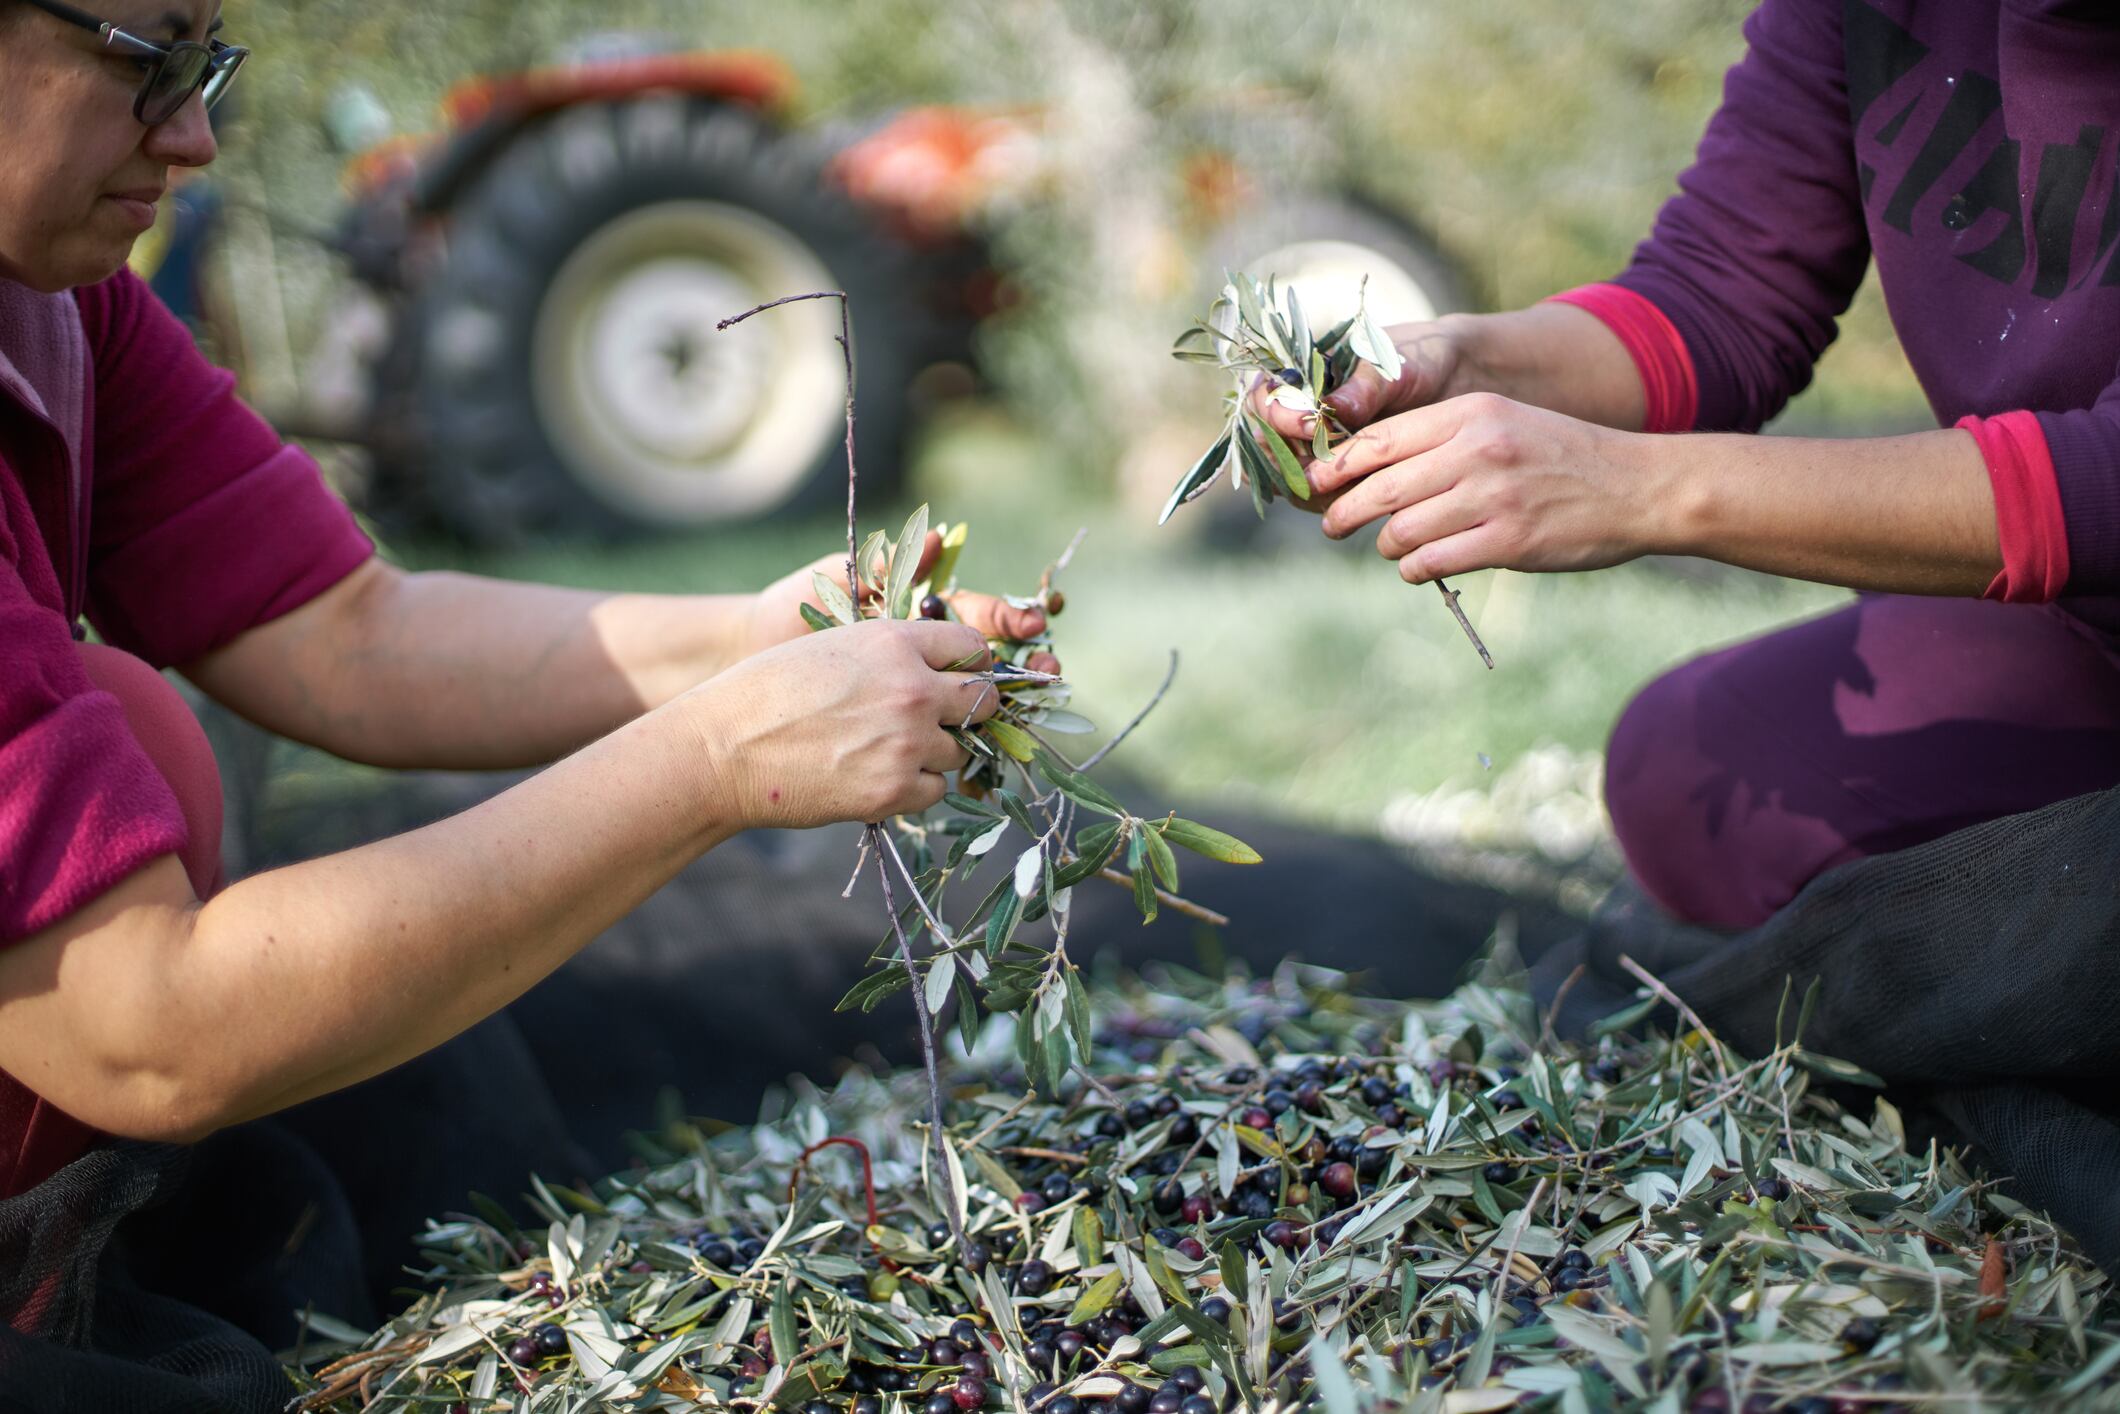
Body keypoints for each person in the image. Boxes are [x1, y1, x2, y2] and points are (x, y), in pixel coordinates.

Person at [0, 0, 1053, 1256]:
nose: (194, 138)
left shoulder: (54, 301)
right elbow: (155, 1031)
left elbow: (340, 628)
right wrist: (718, 761)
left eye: (205, 66)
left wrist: (761, 637)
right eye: (145, 61)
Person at [1264, 0, 2120, 931]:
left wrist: (1643, 490)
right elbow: (1721, 290)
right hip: (2081, 631)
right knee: (1686, 773)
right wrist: (1454, 363)